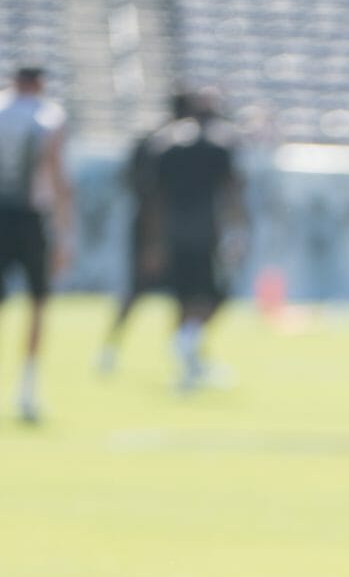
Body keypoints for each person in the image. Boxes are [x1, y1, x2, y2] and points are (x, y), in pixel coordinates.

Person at [148, 86, 247, 389]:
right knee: (213, 296)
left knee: (183, 301)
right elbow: (232, 192)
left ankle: (187, 360)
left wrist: (155, 241)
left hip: (176, 233)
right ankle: (187, 348)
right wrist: (238, 231)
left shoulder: (169, 146)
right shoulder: (219, 148)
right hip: (206, 234)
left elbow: (157, 198)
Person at [96, 89, 193, 373]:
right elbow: (153, 193)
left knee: (145, 291)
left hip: (150, 226)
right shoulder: (169, 145)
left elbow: (129, 181)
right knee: (168, 292)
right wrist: (155, 241)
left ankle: (113, 349)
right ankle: (179, 355)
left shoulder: (150, 140)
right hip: (160, 230)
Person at [0, 65, 72, 421]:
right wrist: (64, 233)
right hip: (30, 218)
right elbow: (55, 170)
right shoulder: (49, 115)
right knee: (38, 303)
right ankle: (27, 390)